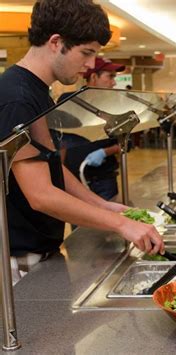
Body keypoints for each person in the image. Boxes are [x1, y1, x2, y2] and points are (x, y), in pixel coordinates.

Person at [0, 0, 164, 281]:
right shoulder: (17, 96)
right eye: (86, 53)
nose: (90, 65)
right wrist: (120, 224)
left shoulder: (38, 91)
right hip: (21, 255)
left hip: (45, 244)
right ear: (55, 42)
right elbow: (40, 195)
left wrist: (101, 205)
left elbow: (51, 164)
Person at [57, 57, 125, 200]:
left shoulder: (115, 106)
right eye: (110, 76)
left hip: (103, 181)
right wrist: (59, 173)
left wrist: (104, 152)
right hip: (74, 179)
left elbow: (125, 144)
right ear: (94, 76)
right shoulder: (69, 101)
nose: (114, 82)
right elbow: (60, 139)